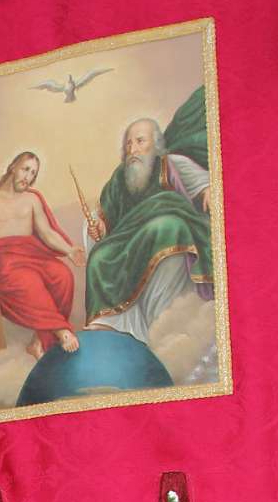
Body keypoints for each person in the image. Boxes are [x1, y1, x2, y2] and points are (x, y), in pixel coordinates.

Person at [83, 106, 212, 346]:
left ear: (156, 145)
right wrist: (99, 227)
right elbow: (106, 214)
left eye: (140, 141)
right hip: (127, 239)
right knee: (99, 257)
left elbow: (200, 181)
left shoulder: (170, 164)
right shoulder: (119, 179)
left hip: (167, 229)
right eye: (128, 144)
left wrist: (207, 190)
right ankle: (112, 324)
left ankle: (166, 328)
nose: (132, 149)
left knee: (165, 226)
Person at [0, 151, 85, 360]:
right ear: (13, 167)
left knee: (62, 275)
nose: (28, 177)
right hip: (1, 259)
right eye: (25, 169)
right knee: (26, 282)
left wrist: (69, 250)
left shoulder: (32, 199)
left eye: (33, 173)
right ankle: (61, 331)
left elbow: (47, 232)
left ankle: (38, 342)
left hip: (31, 254)